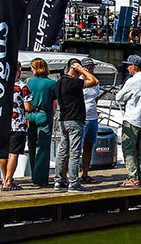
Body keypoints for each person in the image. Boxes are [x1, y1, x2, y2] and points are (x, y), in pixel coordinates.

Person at [55, 58, 98, 192]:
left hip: (63, 119)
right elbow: (94, 81)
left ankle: (59, 181)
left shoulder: (60, 82)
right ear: (74, 68)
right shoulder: (73, 82)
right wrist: (82, 70)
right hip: (75, 120)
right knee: (74, 152)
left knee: (63, 151)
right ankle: (74, 183)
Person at [115, 55, 141, 187]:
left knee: (129, 149)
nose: (128, 68)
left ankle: (133, 177)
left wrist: (128, 96)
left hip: (132, 118)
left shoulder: (132, 81)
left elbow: (118, 97)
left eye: (129, 65)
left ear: (134, 67)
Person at [23, 57, 57, 187]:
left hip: (30, 114)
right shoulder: (52, 83)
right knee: (43, 148)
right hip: (44, 114)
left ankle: (34, 175)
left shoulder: (28, 81)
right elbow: (54, 104)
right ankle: (40, 178)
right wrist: (51, 115)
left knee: (32, 146)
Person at [2, 65, 34, 192]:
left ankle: (4, 178)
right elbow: (27, 107)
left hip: (2, 124)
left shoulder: (2, 85)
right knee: (13, 153)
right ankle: (8, 182)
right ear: (19, 70)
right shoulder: (22, 86)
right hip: (17, 124)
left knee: (3, 153)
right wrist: (33, 108)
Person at [79, 58, 103, 184]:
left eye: (92, 67)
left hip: (93, 117)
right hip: (82, 118)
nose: (91, 69)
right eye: (88, 67)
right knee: (76, 148)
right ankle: (68, 175)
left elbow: (96, 98)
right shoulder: (79, 81)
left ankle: (85, 173)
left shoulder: (95, 82)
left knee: (89, 146)